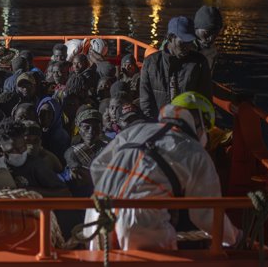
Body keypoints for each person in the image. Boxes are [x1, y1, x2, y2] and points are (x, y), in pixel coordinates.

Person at [86, 93, 239, 250]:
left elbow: (97, 166)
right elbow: (207, 213)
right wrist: (233, 238)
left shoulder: (135, 131)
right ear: (201, 123)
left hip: (98, 213)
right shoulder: (194, 150)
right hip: (142, 220)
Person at [140, 16, 212, 120]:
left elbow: (205, 100)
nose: (188, 47)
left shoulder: (199, 63)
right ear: (170, 38)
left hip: (187, 127)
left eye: (190, 42)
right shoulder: (150, 63)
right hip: (157, 126)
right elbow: (146, 104)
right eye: (183, 42)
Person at [0, 119, 70, 197]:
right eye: (14, 149)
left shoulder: (36, 165)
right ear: (1, 150)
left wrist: (29, 190)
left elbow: (65, 192)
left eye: (23, 147)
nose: (21, 152)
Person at [62, 107, 108, 197]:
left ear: (101, 128)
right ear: (79, 129)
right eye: (86, 127)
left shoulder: (108, 149)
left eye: (95, 127)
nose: (91, 131)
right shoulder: (72, 150)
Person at [37, 97, 70, 164]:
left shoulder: (60, 136)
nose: (45, 116)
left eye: (49, 113)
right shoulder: (37, 132)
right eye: (42, 112)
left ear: (56, 114)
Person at [193, 5, 224, 71]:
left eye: (216, 33)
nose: (211, 38)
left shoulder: (211, 49)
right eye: (207, 33)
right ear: (196, 28)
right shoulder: (184, 47)